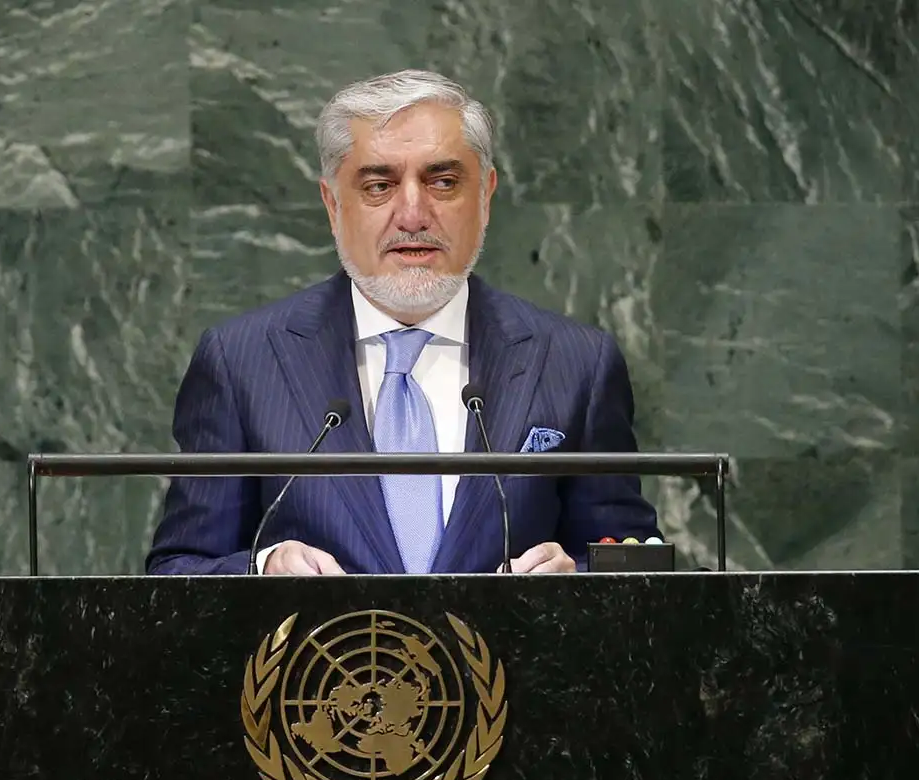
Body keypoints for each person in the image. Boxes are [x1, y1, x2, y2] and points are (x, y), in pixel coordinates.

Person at [145, 69, 660, 576]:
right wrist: (262, 569)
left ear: (486, 196)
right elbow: (177, 571)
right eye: (379, 185)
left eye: (443, 182)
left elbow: (636, 565)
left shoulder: (577, 363)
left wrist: (576, 580)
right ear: (332, 204)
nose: (413, 214)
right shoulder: (241, 361)